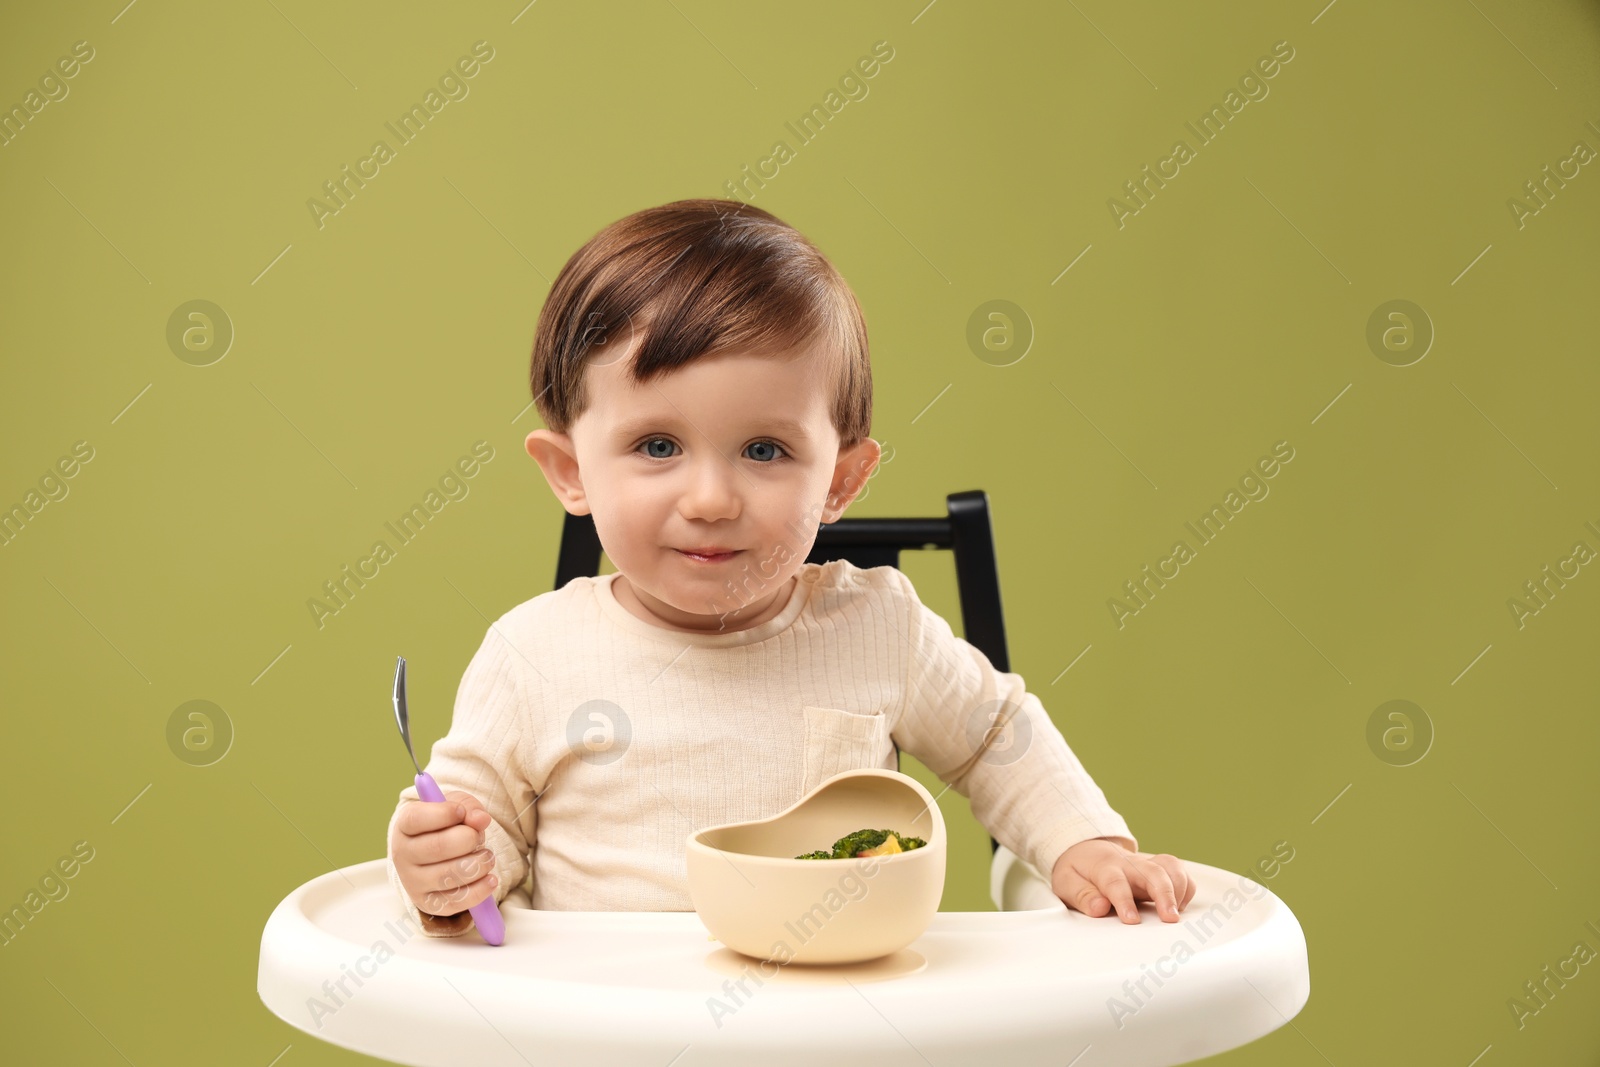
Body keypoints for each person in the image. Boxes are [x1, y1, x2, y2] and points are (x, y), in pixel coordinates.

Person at [386, 198, 1195, 937]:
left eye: (764, 449)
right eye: (657, 446)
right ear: (570, 471)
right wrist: (441, 872)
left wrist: (1083, 842)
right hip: (613, 1035)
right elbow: (472, 839)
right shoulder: (532, 655)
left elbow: (994, 737)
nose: (709, 498)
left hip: (842, 1027)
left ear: (840, 478)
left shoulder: (879, 627)